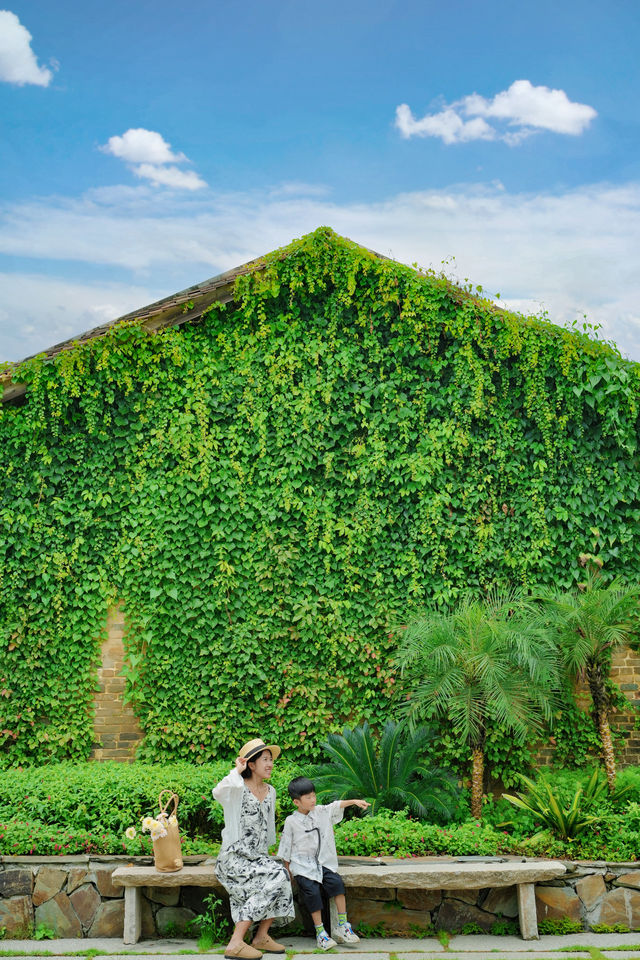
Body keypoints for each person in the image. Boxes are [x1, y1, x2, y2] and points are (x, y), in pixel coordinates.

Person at [213, 738, 294, 960]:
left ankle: (261, 936)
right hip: (233, 857)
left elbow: (268, 830)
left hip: (257, 857)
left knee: (283, 874)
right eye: (265, 760)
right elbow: (218, 792)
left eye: (271, 760)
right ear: (251, 764)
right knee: (276, 876)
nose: (270, 764)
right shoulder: (237, 788)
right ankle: (236, 942)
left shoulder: (271, 791)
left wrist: (266, 858)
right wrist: (235, 771)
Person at [278, 776, 370, 951]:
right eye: (308, 797)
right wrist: (288, 871)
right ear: (297, 802)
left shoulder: (320, 812)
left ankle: (343, 925)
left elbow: (335, 805)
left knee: (336, 884)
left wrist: (354, 802)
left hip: (322, 864)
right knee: (312, 893)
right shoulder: (291, 821)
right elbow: (285, 848)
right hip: (303, 867)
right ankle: (321, 933)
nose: (313, 800)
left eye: (313, 795)